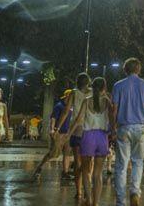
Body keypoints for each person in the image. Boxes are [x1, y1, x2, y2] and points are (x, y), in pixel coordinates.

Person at [112, 58, 144, 206]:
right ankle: (134, 192)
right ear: (138, 69)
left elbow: (114, 109)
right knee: (138, 162)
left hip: (123, 127)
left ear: (125, 69)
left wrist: (113, 127)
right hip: (141, 127)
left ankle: (120, 201)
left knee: (121, 165)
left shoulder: (118, 86)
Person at [69, 77, 115, 206]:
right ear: (104, 88)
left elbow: (78, 120)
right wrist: (115, 133)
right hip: (102, 137)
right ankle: (96, 202)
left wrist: (68, 134)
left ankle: (88, 199)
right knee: (98, 173)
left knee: (85, 170)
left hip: (88, 136)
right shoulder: (107, 101)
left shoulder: (87, 101)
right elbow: (112, 120)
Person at [57, 72, 92, 200]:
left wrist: (58, 127)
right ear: (88, 82)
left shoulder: (74, 93)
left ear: (77, 82)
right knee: (88, 162)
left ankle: (79, 191)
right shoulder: (93, 93)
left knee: (77, 162)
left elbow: (66, 111)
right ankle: (87, 188)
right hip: (90, 129)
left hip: (76, 130)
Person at [33, 89, 73, 179]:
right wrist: (52, 129)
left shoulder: (71, 107)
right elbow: (53, 118)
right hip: (59, 133)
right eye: (71, 96)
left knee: (67, 153)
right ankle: (40, 167)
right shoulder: (59, 106)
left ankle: (65, 173)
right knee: (53, 153)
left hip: (68, 133)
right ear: (67, 96)